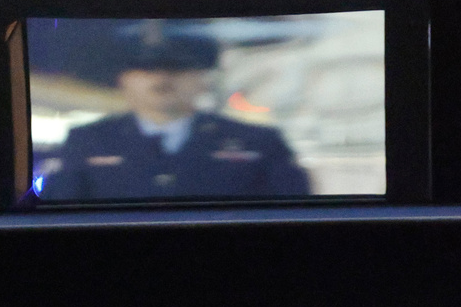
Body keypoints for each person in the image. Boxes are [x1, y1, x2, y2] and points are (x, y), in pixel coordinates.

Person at [41, 33, 309, 200]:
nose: (161, 78)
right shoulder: (88, 141)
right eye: (146, 70)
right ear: (123, 80)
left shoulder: (259, 142)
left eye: (177, 68)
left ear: (203, 79)